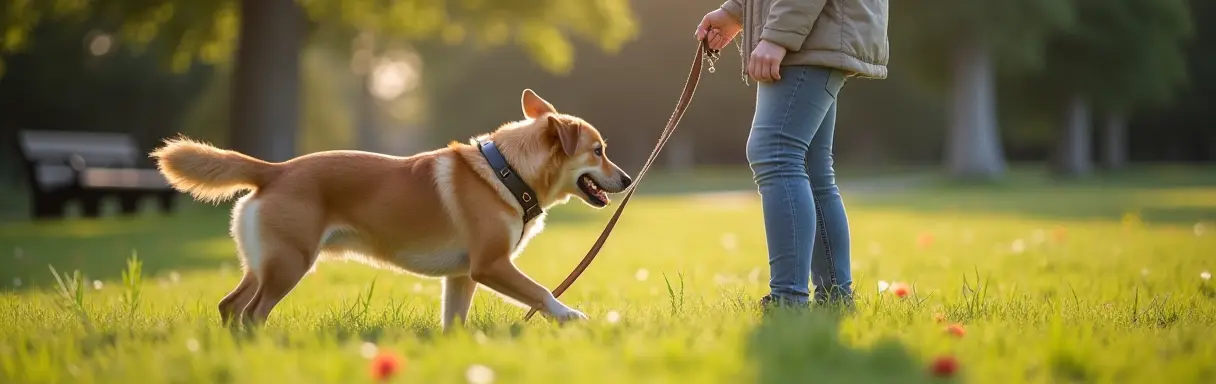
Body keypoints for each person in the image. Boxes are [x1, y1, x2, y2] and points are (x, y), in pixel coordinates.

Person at [694, 0, 889, 308]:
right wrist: (736, 11)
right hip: (813, 30)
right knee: (812, 168)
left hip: (809, 32)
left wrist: (777, 37)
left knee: (774, 151)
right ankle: (834, 298)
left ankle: (789, 298)